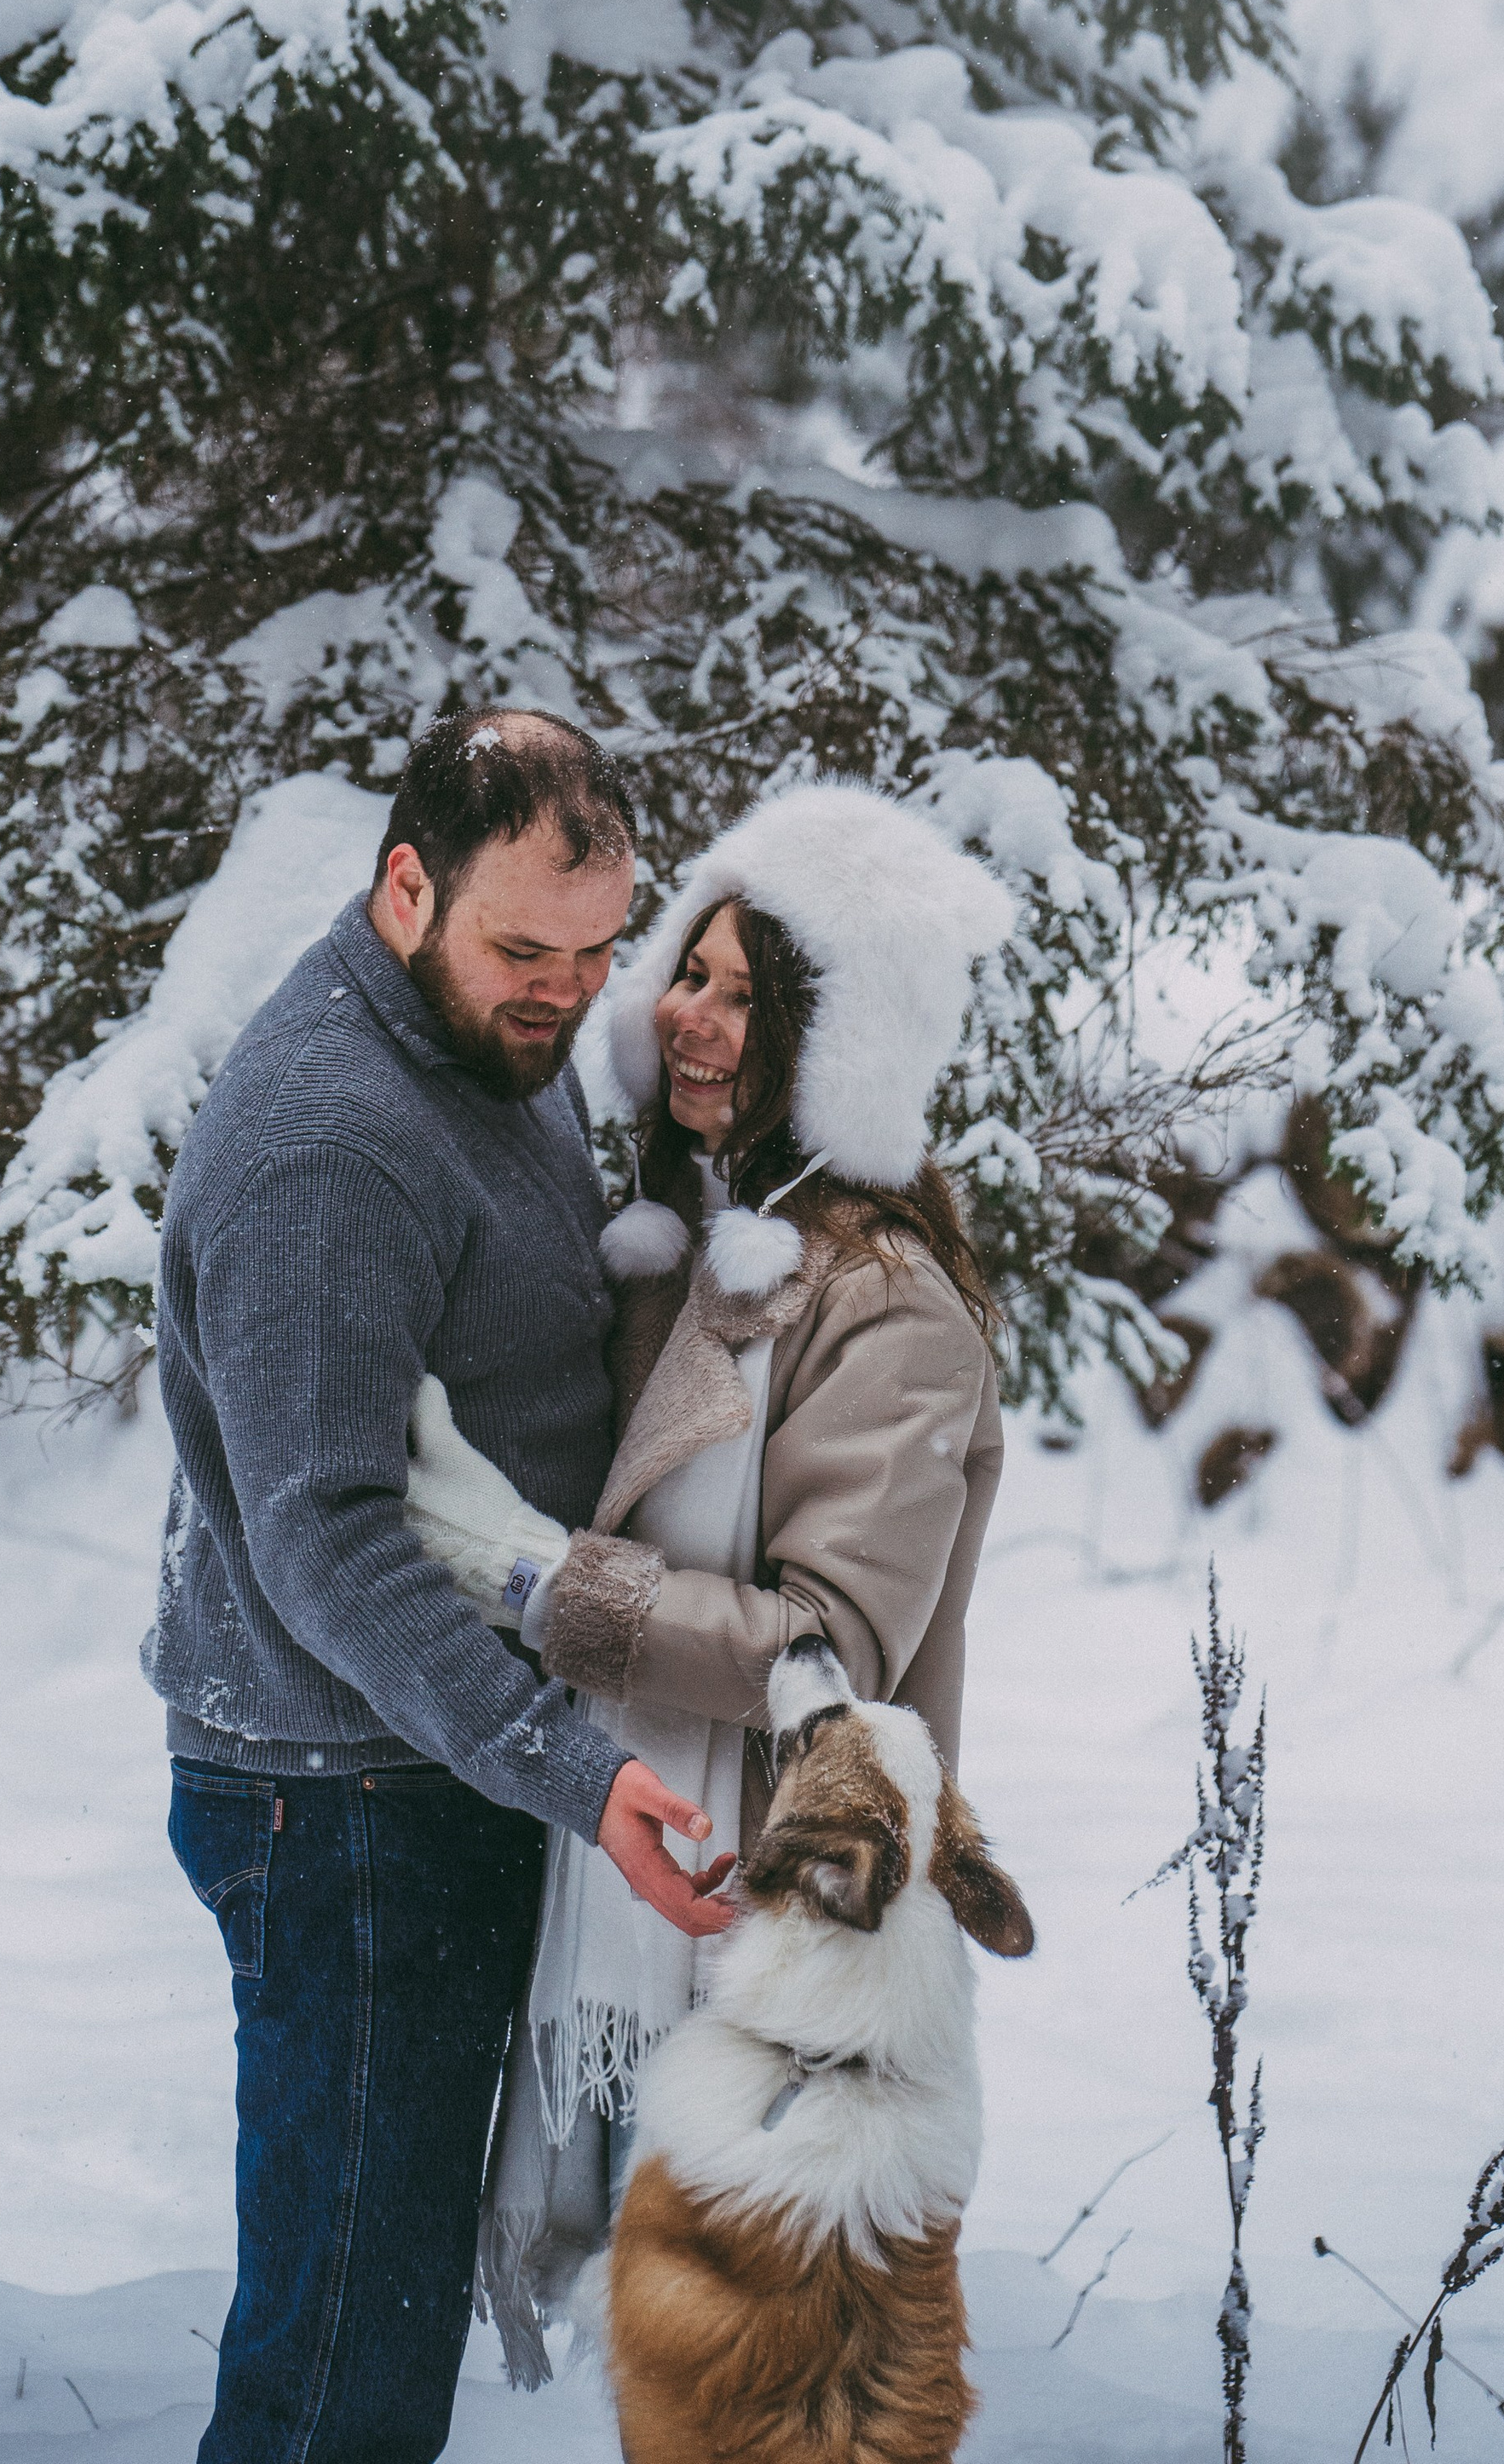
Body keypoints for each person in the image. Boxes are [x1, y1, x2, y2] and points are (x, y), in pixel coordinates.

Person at [143, 706, 731, 2464]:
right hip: (343, 1811)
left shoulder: (482, 1046)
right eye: (520, 949)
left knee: (375, 2333)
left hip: (426, 1768)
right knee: (342, 2361)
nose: (565, 994)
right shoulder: (330, 1142)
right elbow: (323, 1541)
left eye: (596, 949)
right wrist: (564, 1758)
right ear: (407, 888)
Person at [401, 777, 1017, 2375]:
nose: (698, 1020)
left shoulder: (890, 1304)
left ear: (847, 1043)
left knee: (740, 2377)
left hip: (778, 1946)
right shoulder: (692, 1243)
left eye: (755, 999)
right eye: (694, 970)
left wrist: (545, 1584)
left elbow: (829, 1649)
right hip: (640, 1874)